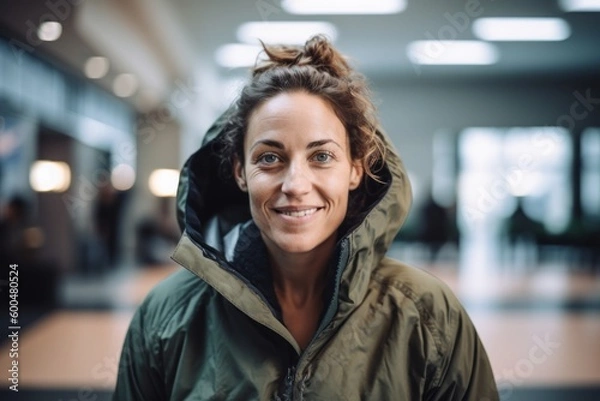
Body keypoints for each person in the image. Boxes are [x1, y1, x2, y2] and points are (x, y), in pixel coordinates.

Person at [113, 35, 498, 400]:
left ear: (355, 169)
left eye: (322, 156)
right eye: (269, 157)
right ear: (240, 172)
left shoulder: (427, 315)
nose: (295, 184)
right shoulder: (166, 317)